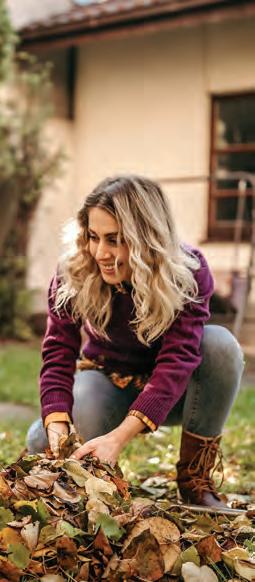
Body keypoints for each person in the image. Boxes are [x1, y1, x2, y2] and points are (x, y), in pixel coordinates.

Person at [26, 175, 243, 508]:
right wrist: (56, 422)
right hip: (107, 386)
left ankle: (195, 481)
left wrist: (119, 437)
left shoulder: (188, 271)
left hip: (176, 393)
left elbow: (178, 360)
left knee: (220, 346)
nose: (101, 252)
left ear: (147, 238)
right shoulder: (74, 269)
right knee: (70, 412)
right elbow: (58, 352)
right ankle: (56, 446)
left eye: (115, 240)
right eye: (93, 237)